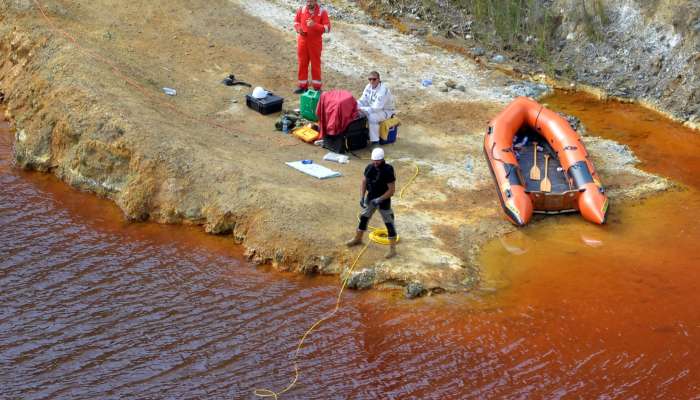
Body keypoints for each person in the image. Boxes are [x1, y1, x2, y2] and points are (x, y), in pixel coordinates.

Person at [346, 147, 398, 259]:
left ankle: (392, 249)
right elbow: (364, 181)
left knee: (389, 223)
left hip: (383, 200)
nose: (375, 163)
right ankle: (358, 238)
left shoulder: (388, 170)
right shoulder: (370, 167)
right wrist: (362, 196)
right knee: (364, 217)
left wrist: (379, 199)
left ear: (382, 159)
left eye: (377, 161)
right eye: (374, 160)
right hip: (371, 198)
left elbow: (391, 190)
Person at [293, 0, 331, 94]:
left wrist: (315, 25)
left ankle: (317, 88)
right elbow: (296, 22)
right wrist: (298, 29)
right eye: (307, 1)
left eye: (311, 1)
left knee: (315, 65)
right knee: (302, 63)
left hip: (315, 43)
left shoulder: (322, 12)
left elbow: (327, 28)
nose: (309, 3)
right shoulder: (301, 10)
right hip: (302, 42)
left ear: (316, 1)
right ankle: (303, 86)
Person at [356, 71, 396, 145]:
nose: (372, 81)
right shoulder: (368, 86)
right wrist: (354, 105)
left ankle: (375, 141)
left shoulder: (383, 90)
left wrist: (362, 109)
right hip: (372, 108)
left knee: (372, 117)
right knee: (356, 112)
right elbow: (362, 100)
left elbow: (376, 108)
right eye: (370, 79)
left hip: (386, 111)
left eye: (374, 79)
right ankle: (360, 136)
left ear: (378, 79)